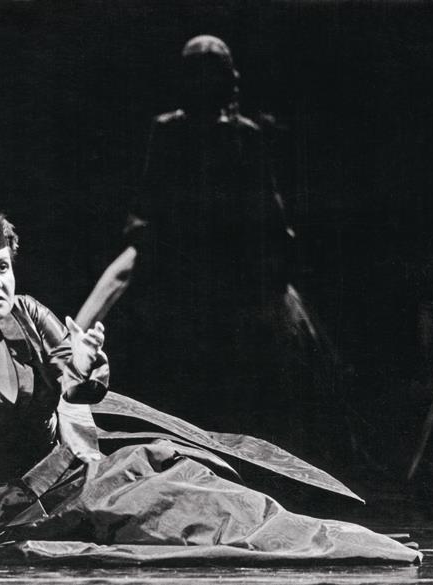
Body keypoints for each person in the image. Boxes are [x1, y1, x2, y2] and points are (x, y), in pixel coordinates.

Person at [0, 213, 418, 571]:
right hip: (10, 515)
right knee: (186, 528)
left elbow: (83, 386)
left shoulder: (27, 317)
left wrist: (85, 366)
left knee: (219, 499)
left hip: (88, 477)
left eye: (3, 267)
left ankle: (362, 544)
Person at [126, 35, 330, 447]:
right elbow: (146, 201)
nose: (204, 84)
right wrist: (147, 236)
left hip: (239, 281)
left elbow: (270, 210)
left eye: (212, 74)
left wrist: (271, 261)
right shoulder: (167, 131)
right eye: (196, 74)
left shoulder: (246, 135)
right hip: (181, 277)